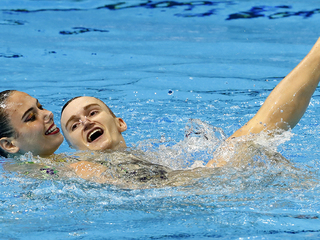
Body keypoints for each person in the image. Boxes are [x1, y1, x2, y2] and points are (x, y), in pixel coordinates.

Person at [60, 37, 320, 174]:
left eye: (92, 112)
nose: (85, 122)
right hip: (189, 188)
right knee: (251, 135)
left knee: (256, 138)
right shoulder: (75, 168)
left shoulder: (155, 155)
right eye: (74, 125)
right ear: (72, 147)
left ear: (120, 123)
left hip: (193, 187)